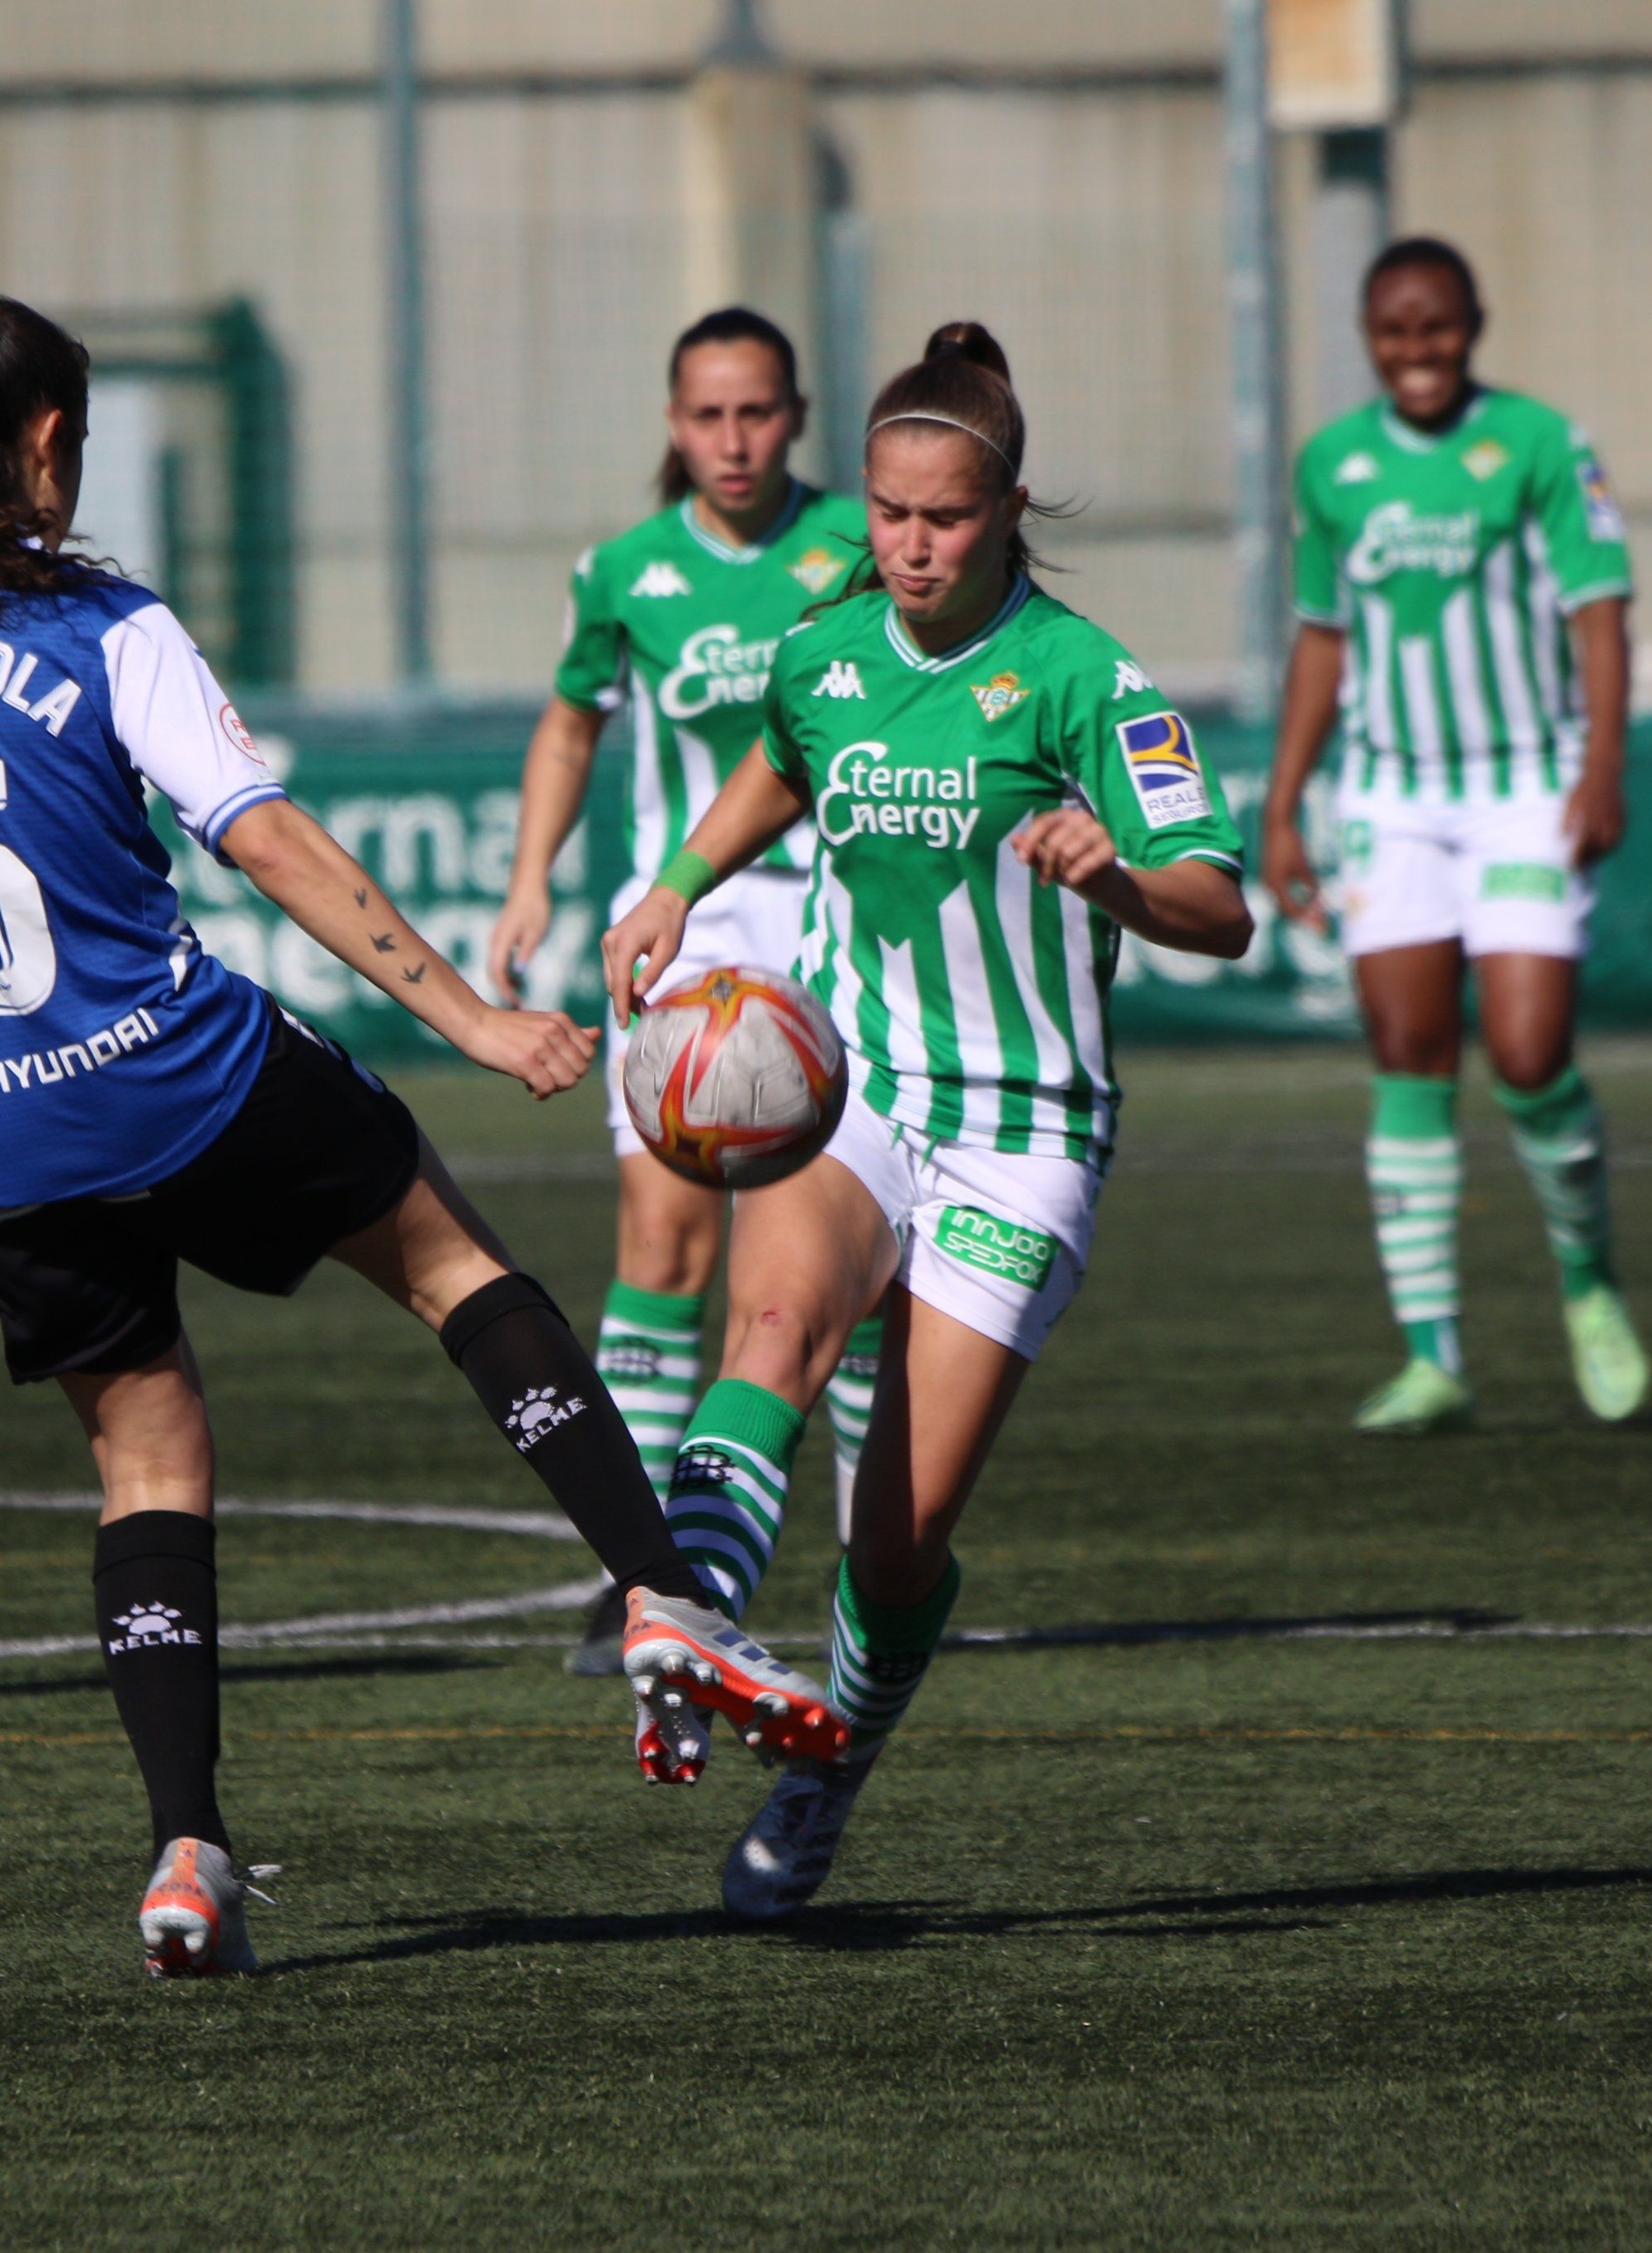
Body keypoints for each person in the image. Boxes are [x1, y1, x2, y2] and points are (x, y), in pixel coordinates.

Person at [0, 291, 845, 1978]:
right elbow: (266, 838)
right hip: (181, 1069)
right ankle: (660, 1584)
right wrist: (472, 1018)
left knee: (143, 1461)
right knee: (453, 1267)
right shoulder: (100, 617)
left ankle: (185, 1854)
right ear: (41, 444)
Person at [601, 322, 1253, 1920]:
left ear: (1008, 510)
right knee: (766, 1324)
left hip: (1021, 1129)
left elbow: (1222, 907)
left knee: (893, 1549)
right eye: (888, 513)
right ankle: (684, 1620)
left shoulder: (1092, 684)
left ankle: (826, 1775)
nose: (906, 543)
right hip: (859, 1082)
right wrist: (678, 886)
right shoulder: (829, 651)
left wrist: (1122, 878)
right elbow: (778, 758)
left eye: (943, 518)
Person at [487, 309, 878, 1674]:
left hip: (834, 931)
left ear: (797, 414)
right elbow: (571, 720)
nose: (733, 440)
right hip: (683, 934)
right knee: (665, 1246)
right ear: (673, 423)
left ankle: (865, 1553)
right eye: (708, 416)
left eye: (757, 412)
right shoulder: (625, 573)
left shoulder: (859, 548)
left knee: (843, 1257)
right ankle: (644, 1566)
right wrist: (532, 877)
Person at [1256, 236, 1649, 1436]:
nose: (1417, 351)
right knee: (1408, 1052)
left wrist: (1602, 762)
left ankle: (1588, 1284)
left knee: (1530, 1052)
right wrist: (1283, 805)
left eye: (1436, 329)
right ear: (1370, 340)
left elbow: (1598, 609)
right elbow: (1323, 637)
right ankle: (1434, 1358)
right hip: (1389, 797)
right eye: (1394, 333)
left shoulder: (1538, 445)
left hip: (1523, 784)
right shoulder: (1332, 465)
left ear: (1473, 326)